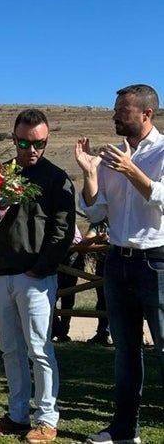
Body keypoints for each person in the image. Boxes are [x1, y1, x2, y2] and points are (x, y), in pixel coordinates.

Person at [76, 84, 164, 444]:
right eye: (115, 110)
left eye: (122, 111)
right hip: (117, 261)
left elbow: (161, 199)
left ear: (146, 114)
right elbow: (96, 211)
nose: (114, 116)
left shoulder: (161, 152)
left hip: (156, 263)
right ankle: (125, 430)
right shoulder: (113, 156)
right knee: (125, 351)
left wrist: (131, 170)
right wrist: (90, 175)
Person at [0, 109, 75, 443]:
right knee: (10, 349)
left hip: (35, 277)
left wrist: (42, 268)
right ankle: (18, 415)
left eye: (39, 143)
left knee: (39, 349)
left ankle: (47, 419)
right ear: (14, 138)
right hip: (2, 272)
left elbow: (63, 230)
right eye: (24, 142)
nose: (32, 150)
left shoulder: (56, 178)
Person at [82, 218, 112, 345]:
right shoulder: (99, 223)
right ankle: (103, 333)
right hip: (104, 264)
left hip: (125, 263)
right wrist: (97, 239)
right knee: (102, 300)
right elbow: (86, 239)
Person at [51, 224, 83, 343]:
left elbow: (77, 240)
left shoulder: (71, 224)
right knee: (50, 298)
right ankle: (56, 328)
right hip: (55, 265)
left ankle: (63, 331)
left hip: (70, 263)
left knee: (68, 299)